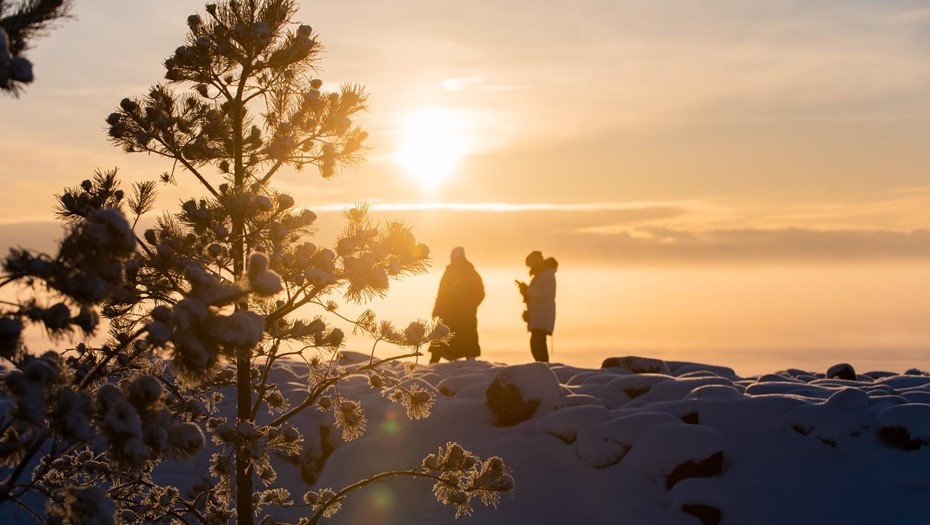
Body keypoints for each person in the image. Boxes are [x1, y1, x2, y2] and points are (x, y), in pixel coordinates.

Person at [429, 247, 485, 363]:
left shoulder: (450, 272)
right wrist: (471, 305)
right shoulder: (472, 272)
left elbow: (442, 294)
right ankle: (470, 360)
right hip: (467, 314)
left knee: (444, 336)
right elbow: (481, 293)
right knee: (468, 336)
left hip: (449, 313)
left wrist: (437, 310)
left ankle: (436, 363)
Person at [516, 250, 557, 362]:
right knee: (536, 342)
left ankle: (543, 366)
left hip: (542, 314)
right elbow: (535, 294)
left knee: (537, 342)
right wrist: (524, 292)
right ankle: (542, 365)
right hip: (538, 314)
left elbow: (542, 292)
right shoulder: (541, 275)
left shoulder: (546, 274)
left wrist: (526, 289)